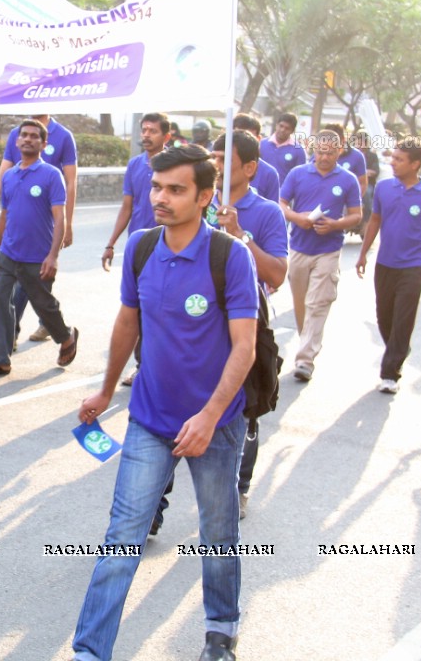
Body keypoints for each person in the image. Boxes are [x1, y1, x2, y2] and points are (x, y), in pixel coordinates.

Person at [73, 144, 258, 661]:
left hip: (215, 426)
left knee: (218, 533)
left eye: (176, 190)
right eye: (157, 187)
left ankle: (221, 629)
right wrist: (107, 390)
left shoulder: (229, 256)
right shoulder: (140, 247)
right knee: (121, 539)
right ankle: (90, 651)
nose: (161, 198)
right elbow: (127, 323)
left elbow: (244, 346)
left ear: (204, 196)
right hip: (150, 420)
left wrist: (209, 415)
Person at [209, 130, 287, 519]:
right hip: (198, 319)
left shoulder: (268, 212)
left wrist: (239, 236)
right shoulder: (199, 202)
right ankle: (157, 502)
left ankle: (238, 485)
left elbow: (276, 275)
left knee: (243, 407)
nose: (216, 167)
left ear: (250, 167)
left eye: (225, 160)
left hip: (246, 317)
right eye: (213, 158)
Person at [0, 118, 79, 377]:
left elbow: (60, 218)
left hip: (38, 256)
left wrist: (53, 256)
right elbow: (5, 216)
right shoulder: (9, 176)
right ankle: (0, 359)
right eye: (24, 135)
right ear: (17, 140)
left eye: (35, 136)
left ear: (44, 144)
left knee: (43, 303)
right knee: (0, 301)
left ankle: (66, 337)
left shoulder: (51, 175)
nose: (28, 139)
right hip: (8, 254)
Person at [355, 137, 421, 394]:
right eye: (393, 158)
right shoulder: (384, 188)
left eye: (399, 159)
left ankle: (390, 373)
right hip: (385, 261)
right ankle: (399, 348)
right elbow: (375, 220)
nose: (393, 162)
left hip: (414, 264)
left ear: (415, 164)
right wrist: (363, 253)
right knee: (384, 316)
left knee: (403, 317)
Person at [279, 130, 363, 382]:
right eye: (320, 151)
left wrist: (335, 225)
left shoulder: (347, 180)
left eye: (330, 152)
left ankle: (305, 359)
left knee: (318, 303)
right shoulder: (298, 174)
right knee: (301, 303)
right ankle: (308, 340)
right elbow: (281, 204)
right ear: (313, 149)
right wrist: (298, 218)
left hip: (328, 250)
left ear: (340, 151)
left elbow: (356, 215)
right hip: (299, 248)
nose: (324, 157)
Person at [102, 112, 169, 387]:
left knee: (159, 307)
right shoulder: (134, 165)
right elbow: (127, 207)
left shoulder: (174, 165)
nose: (146, 135)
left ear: (166, 136)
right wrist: (111, 243)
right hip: (139, 247)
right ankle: (143, 366)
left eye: (152, 130)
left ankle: (151, 365)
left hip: (167, 245)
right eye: (144, 130)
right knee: (137, 308)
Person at [231, 115, 281, 203]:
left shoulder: (269, 174)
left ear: (258, 139)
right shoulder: (218, 167)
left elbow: (272, 212)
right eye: (237, 138)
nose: (241, 143)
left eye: (247, 138)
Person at [260, 112, 305, 183]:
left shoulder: (298, 150)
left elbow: (301, 176)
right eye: (281, 126)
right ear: (276, 125)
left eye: (287, 128)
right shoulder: (261, 144)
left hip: (283, 192)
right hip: (260, 190)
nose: (282, 130)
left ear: (292, 131)